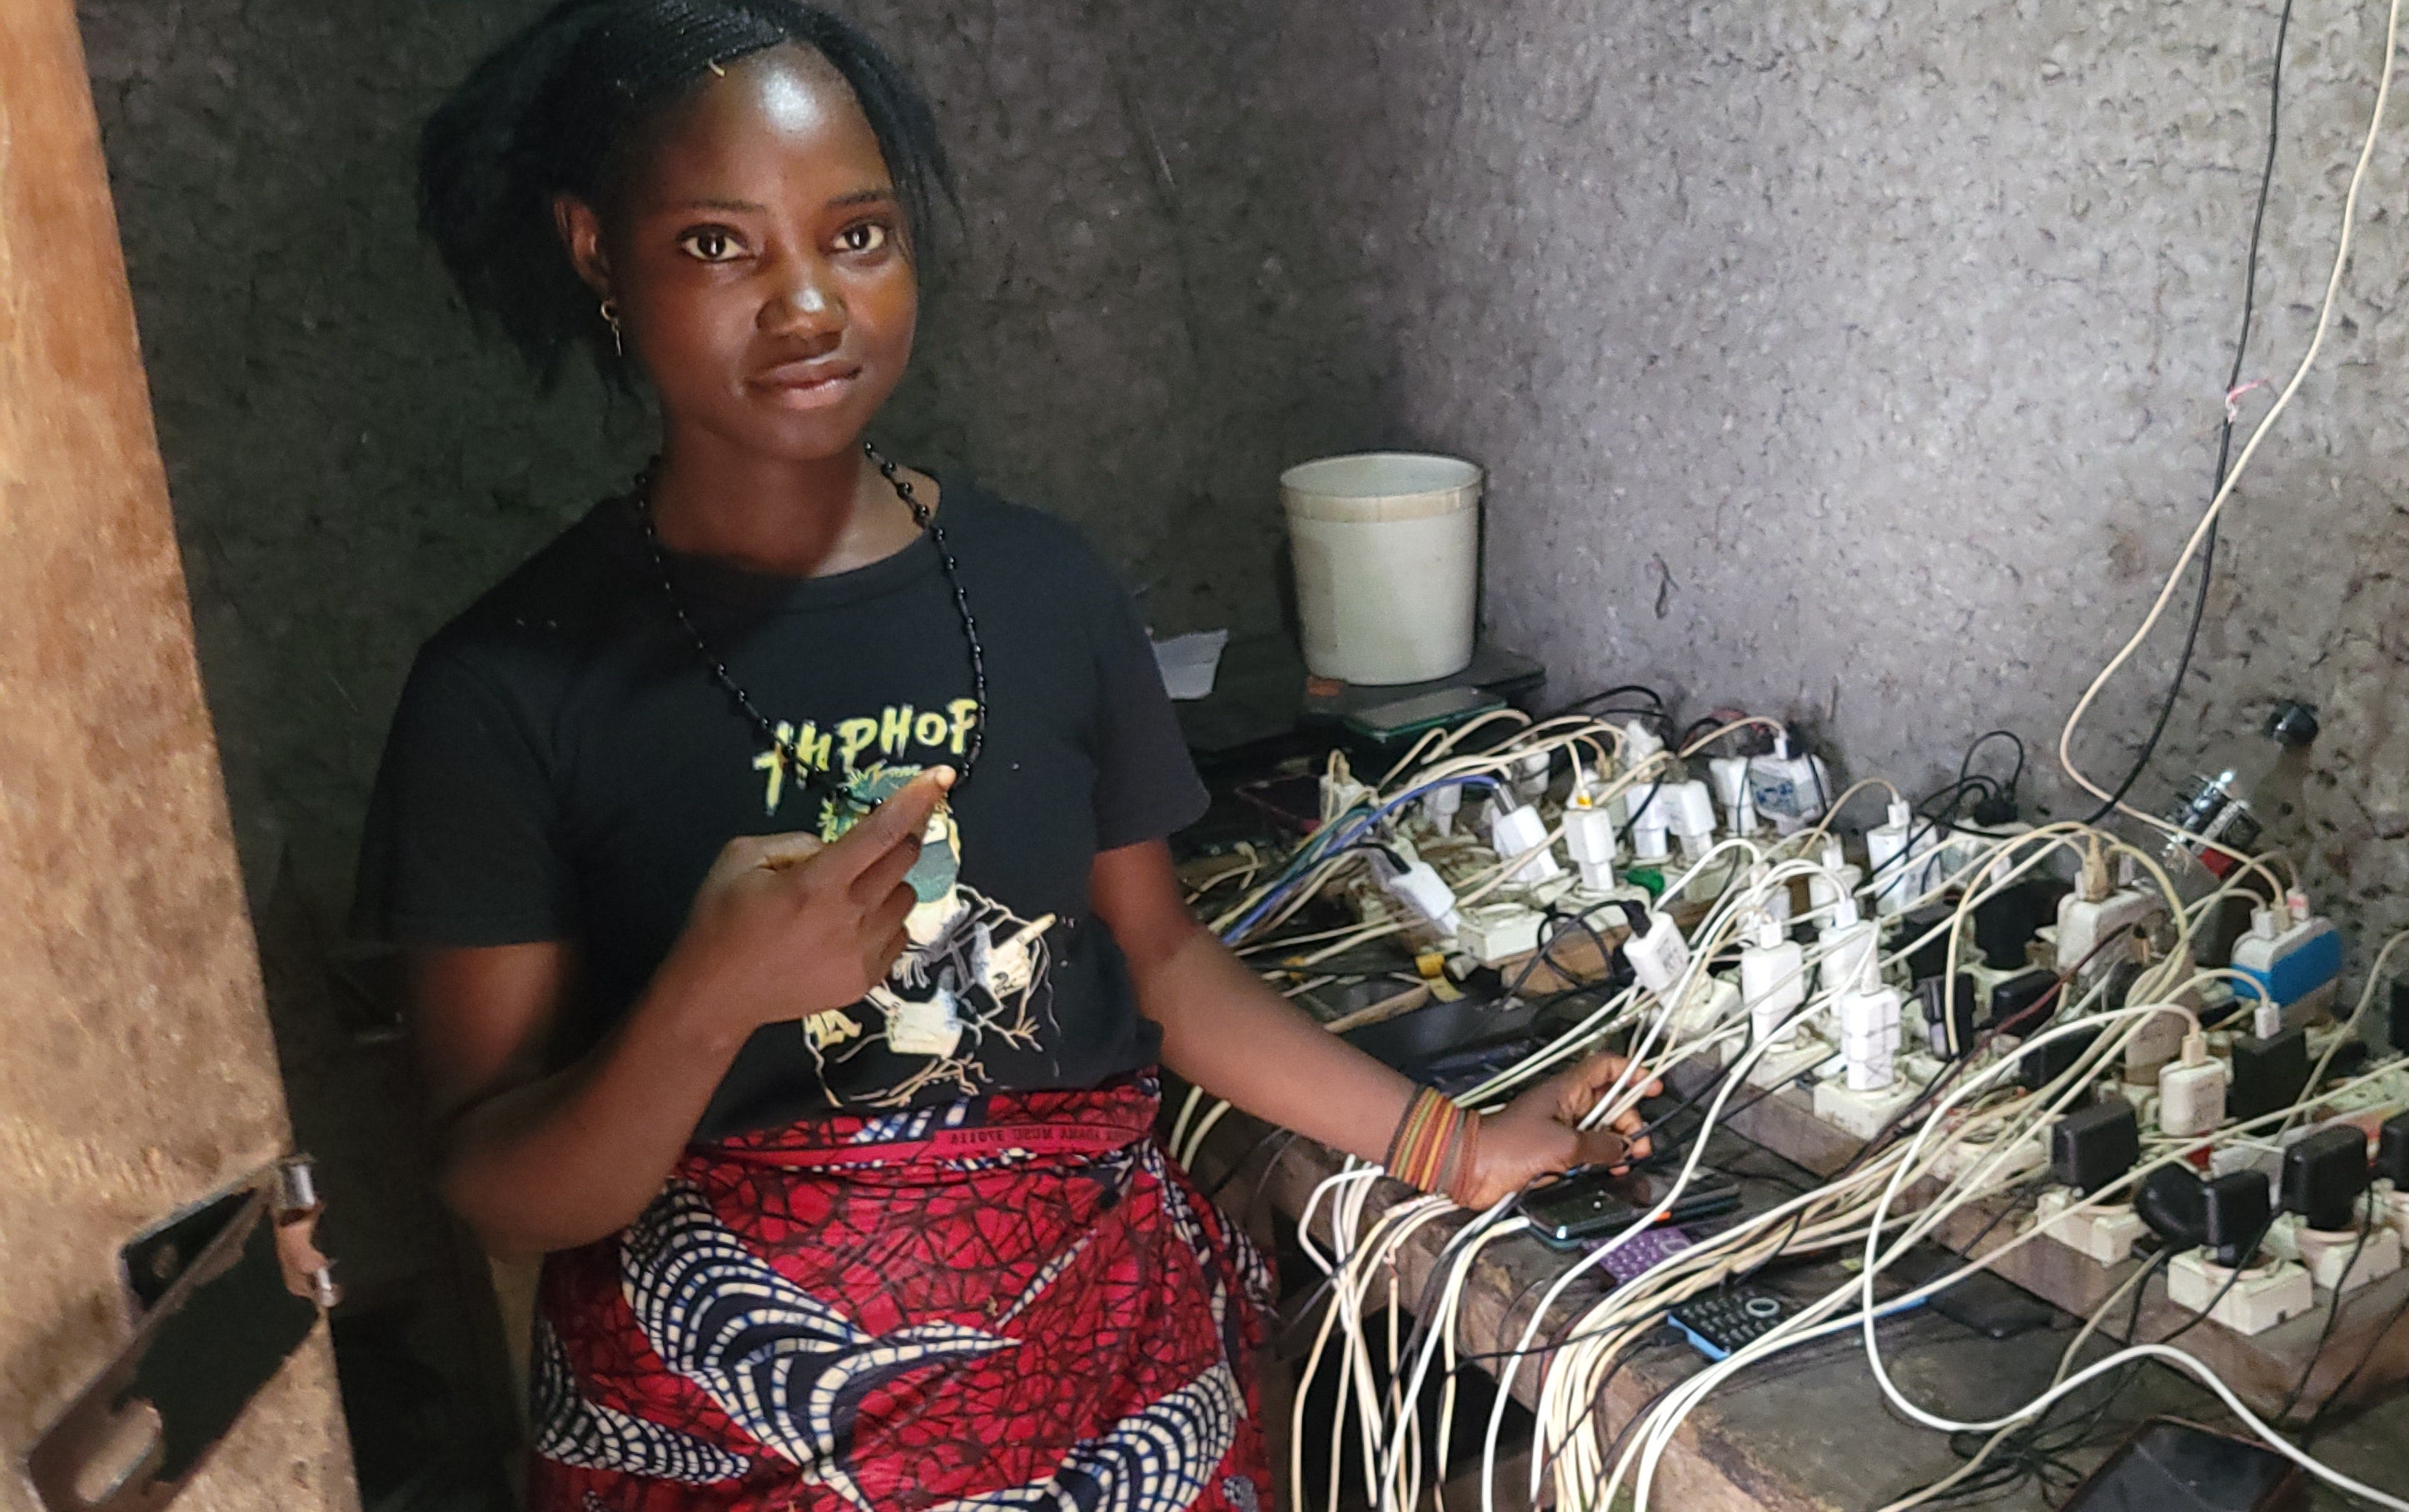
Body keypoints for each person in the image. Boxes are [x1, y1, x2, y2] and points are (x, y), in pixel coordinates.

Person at [363, 4, 1648, 1506]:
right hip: (732, 1434)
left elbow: (1156, 964)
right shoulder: (509, 684)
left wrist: (1452, 1147)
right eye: (721, 245)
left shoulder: (1041, 589)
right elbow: (502, 1190)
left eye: (857, 235)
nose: (807, 307)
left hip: (1107, 1397)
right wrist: (706, 1003)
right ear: (596, 252)